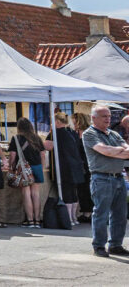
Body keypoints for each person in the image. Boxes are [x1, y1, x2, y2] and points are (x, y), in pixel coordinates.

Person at [81, 105, 129, 257]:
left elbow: (126, 151)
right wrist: (116, 151)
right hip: (101, 177)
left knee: (120, 214)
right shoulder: (89, 134)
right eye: (104, 116)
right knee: (101, 214)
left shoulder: (113, 134)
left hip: (118, 177)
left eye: (108, 116)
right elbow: (104, 150)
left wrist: (113, 152)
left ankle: (115, 245)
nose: (108, 119)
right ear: (93, 118)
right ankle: (99, 246)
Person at [44, 112, 86, 226]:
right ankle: (73, 218)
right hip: (76, 166)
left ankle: (68, 219)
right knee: (73, 193)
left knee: (66, 193)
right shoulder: (72, 132)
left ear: (57, 122)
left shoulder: (54, 134)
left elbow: (47, 146)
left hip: (63, 167)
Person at [8, 117, 47, 228]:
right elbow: (43, 154)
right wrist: (42, 167)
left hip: (23, 168)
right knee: (36, 194)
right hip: (37, 166)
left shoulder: (16, 138)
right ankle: (37, 221)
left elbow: (12, 156)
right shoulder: (37, 138)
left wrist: (12, 167)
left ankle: (30, 221)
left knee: (26, 193)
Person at [72, 112, 94, 223]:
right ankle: (86, 212)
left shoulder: (88, 133)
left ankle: (89, 213)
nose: (73, 123)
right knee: (82, 189)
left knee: (87, 188)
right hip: (80, 165)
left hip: (88, 164)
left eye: (74, 120)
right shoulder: (76, 133)